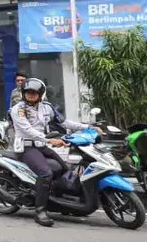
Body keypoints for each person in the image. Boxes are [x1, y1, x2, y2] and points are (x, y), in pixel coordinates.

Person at [10, 77, 99, 228]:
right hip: (26, 147)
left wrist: (88, 127)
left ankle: (59, 201)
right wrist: (49, 140)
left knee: (64, 168)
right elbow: (27, 130)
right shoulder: (18, 109)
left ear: (41, 94)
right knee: (46, 174)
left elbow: (64, 122)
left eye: (34, 93)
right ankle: (40, 212)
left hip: (41, 144)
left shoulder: (47, 108)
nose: (31, 95)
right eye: (28, 92)